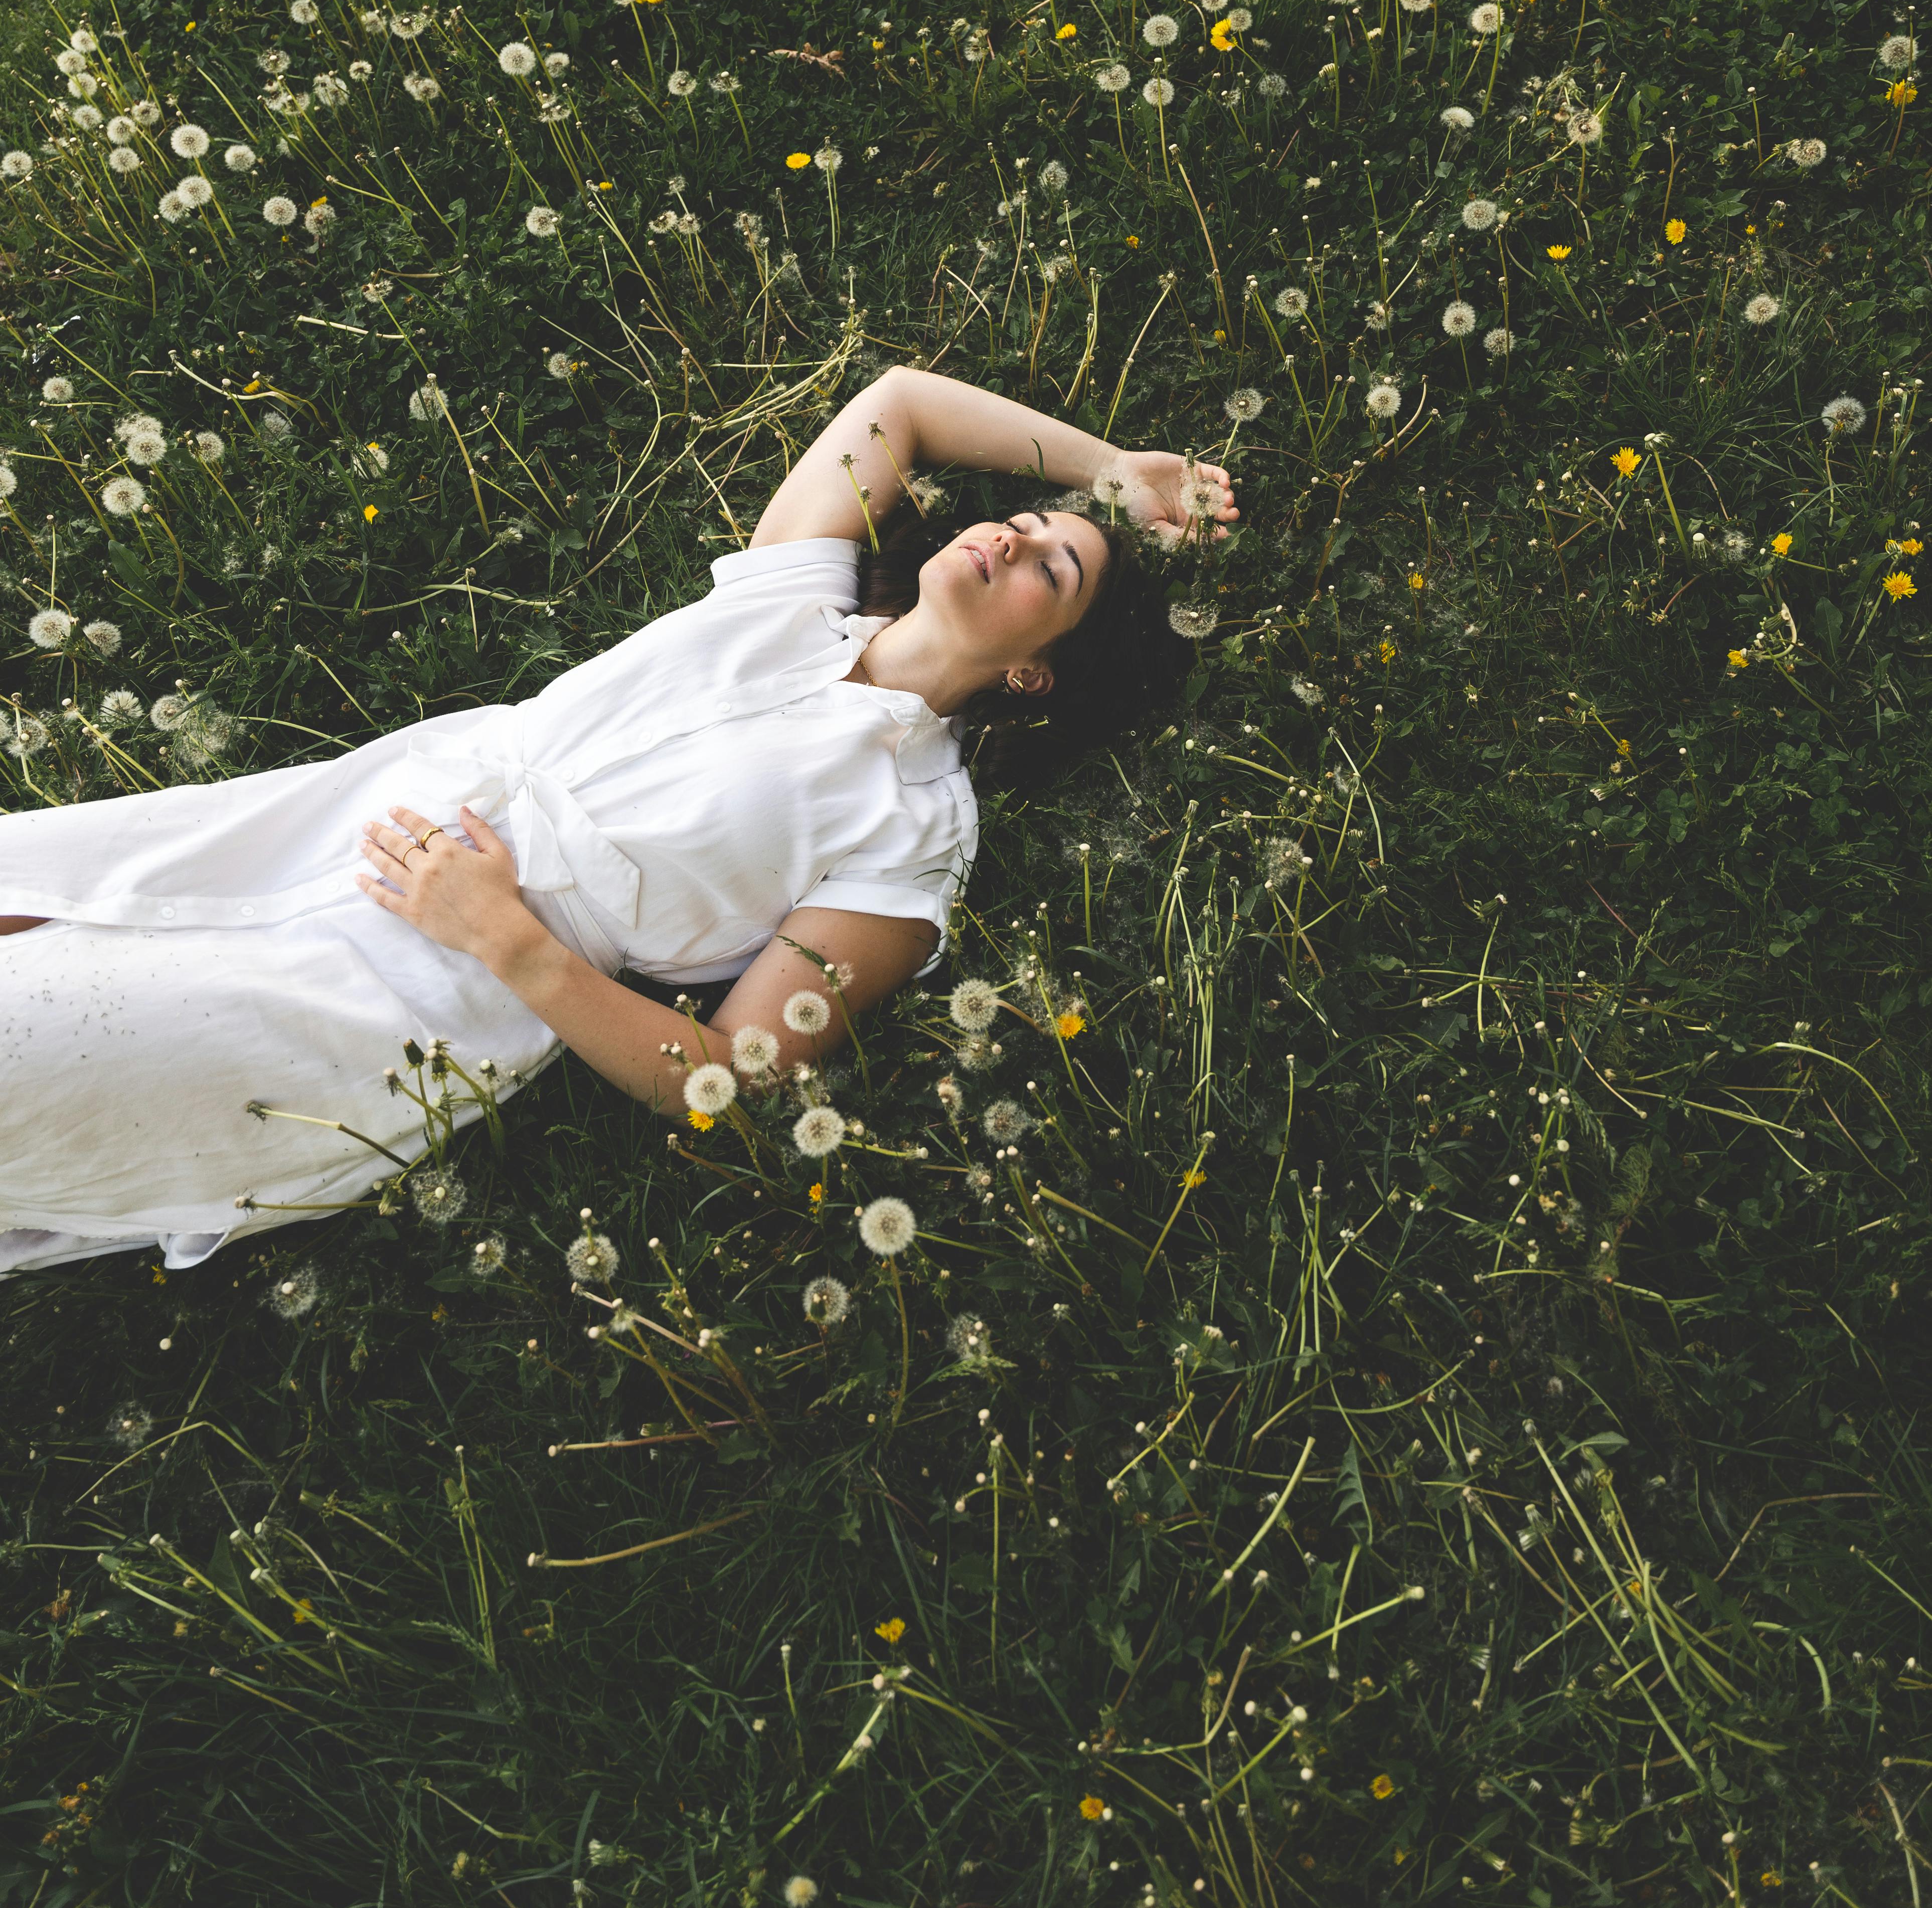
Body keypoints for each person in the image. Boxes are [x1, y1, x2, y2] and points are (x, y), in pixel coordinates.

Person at [0, 365, 1236, 1278]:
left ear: (1035, 675)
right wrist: (1106, 474)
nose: (1014, 534)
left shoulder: (914, 836)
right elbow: (902, 400)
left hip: (417, 987)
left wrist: (508, 942)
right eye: (1023, 523)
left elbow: (734, 1083)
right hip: (340, 820)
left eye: (1052, 570)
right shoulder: (794, 594)